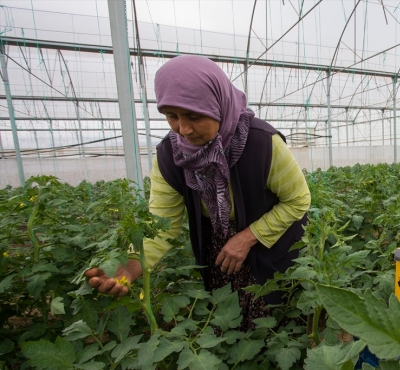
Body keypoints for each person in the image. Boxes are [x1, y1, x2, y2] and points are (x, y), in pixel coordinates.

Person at [85, 55, 311, 330]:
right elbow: (161, 224)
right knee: (228, 324)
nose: (183, 129)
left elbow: (298, 199)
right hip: (219, 250)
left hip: (274, 244)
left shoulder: (262, 143)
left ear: (218, 105)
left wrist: (248, 237)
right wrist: (127, 268)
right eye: (172, 116)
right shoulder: (171, 156)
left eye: (194, 116)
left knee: (277, 320)